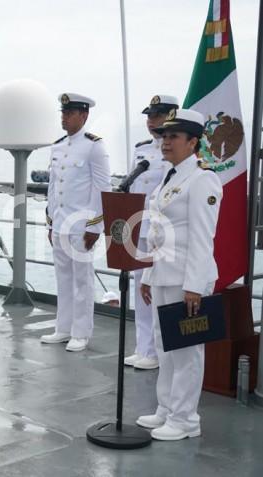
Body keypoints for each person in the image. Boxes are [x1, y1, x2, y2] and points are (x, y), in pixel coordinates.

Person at [136, 109, 222, 441]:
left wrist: (195, 287)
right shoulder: (170, 176)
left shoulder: (202, 180)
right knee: (164, 345)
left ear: (193, 142)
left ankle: (186, 419)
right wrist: (147, 275)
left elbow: (203, 237)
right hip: (163, 274)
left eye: (173, 137)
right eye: (164, 136)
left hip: (187, 278)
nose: (165, 141)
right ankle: (166, 408)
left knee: (186, 350)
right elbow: (158, 231)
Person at [41, 93, 111, 352]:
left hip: (81, 225)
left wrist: (94, 226)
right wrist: (50, 222)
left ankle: (81, 332)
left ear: (84, 115)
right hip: (60, 223)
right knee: (63, 278)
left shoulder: (94, 146)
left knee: (82, 280)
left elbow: (102, 188)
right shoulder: (58, 146)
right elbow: (52, 187)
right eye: (63, 113)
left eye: (69, 113)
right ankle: (64, 327)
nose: (65, 117)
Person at [125, 95, 178, 370]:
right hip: (139, 227)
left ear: (172, 115)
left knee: (158, 290)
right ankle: (143, 347)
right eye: (149, 116)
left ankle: (157, 352)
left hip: (162, 233)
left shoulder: (177, 152)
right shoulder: (142, 150)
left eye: (157, 115)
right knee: (140, 288)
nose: (151, 121)